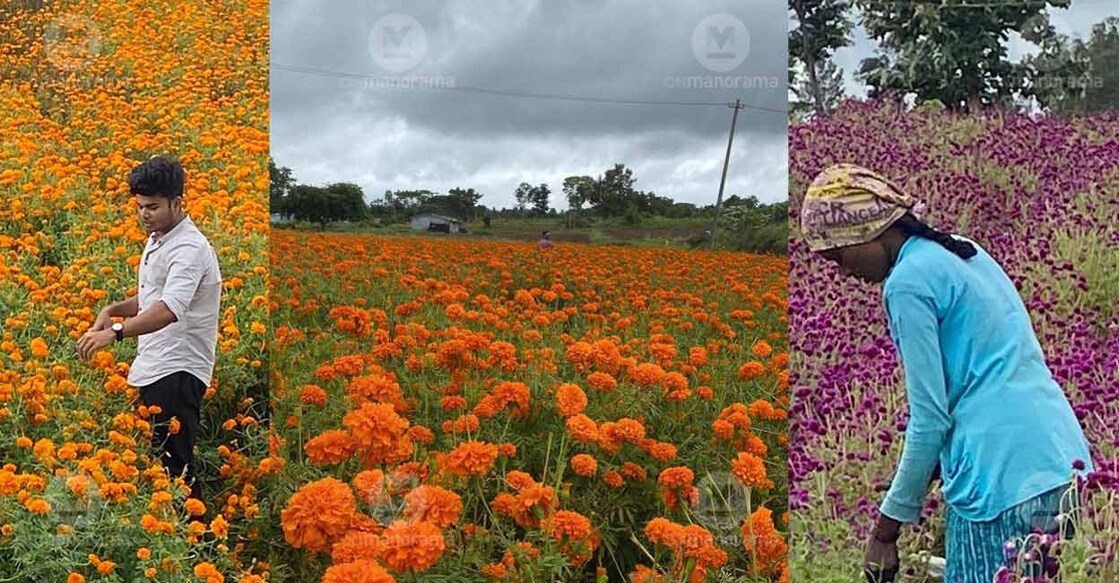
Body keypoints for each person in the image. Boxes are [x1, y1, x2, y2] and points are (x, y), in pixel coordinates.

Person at [798, 163, 1092, 583]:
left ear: (869, 232)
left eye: (839, 256)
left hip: (1000, 483)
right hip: (1064, 463)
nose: (844, 272)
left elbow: (930, 419)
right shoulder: (962, 250)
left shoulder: (905, 284)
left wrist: (886, 531)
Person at [77, 156, 222, 503]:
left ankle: (195, 546)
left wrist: (115, 331)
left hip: (179, 369)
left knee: (176, 466)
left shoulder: (189, 248)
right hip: (157, 364)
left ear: (177, 202)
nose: (144, 214)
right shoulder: (160, 237)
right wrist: (112, 309)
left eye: (153, 207)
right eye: (140, 206)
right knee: (162, 464)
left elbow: (168, 309)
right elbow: (151, 297)